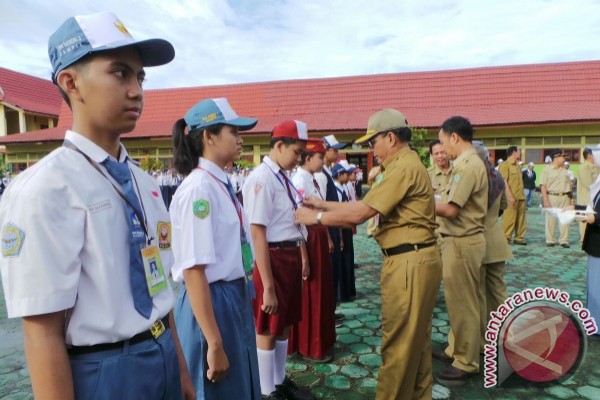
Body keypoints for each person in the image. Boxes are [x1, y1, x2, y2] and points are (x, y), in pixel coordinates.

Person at [0, 11, 193, 399]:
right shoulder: (44, 189)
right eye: (120, 73)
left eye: (141, 77)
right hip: (103, 372)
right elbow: (42, 332)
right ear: (72, 83)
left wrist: (182, 373)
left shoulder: (145, 183)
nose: (137, 90)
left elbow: (160, 292)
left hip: (163, 354)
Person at [295, 108, 442, 400]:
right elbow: (365, 204)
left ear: (390, 138)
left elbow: (361, 212)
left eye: (373, 142)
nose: (372, 149)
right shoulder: (407, 164)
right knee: (417, 344)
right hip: (416, 258)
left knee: (399, 346)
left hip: (409, 262)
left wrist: (316, 219)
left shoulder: (401, 168)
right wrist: (322, 205)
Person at [169, 98, 261, 399]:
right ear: (208, 137)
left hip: (230, 296)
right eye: (233, 131)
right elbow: (194, 269)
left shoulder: (218, 183)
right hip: (210, 302)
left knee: (237, 385)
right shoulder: (199, 189)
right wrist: (214, 341)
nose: (241, 138)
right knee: (216, 388)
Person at [242, 120, 315, 400]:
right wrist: (268, 286)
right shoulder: (261, 178)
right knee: (267, 325)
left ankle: (279, 380)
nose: (299, 159)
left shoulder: (281, 176)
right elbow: (258, 232)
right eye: (296, 152)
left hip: (288, 254)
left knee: (284, 323)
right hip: (271, 258)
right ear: (280, 145)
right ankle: (266, 391)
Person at [434, 116, 487, 382]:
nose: (444, 149)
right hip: (465, 240)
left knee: (462, 304)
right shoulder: (469, 163)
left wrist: (417, 202)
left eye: (444, 142)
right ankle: (463, 348)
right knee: (469, 301)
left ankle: (466, 361)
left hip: (461, 240)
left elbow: (452, 209)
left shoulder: (467, 166)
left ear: (455, 137)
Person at [288, 138, 336, 362]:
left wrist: (326, 236)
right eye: (320, 156)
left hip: (317, 235)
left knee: (321, 292)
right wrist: (303, 255)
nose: (323, 160)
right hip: (308, 240)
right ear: (308, 159)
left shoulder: (313, 179)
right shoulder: (300, 179)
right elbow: (298, 219)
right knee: (311, 294)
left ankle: (319, 341)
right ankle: (309, 346)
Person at [472, 142, 511, 347]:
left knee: (476, 294)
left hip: (474, 240)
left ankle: (480, 342)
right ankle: (506, 337)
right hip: (496, 240)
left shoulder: (472, 176)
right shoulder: (498, 177)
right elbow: (504, 205)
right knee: (498, 292)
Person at [575, 145, 600, 341]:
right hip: (595, 243)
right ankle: (594, 322)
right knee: (593, 285)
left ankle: (597, 326)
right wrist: (579, 211)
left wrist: (595, 219)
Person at [331, 162, 357, 301]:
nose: (349, 176)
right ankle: (344, 293)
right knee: (345, 261)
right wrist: (340, 236)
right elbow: (338, 214)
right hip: (342, 228)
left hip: (346, 227)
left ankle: (349, 291)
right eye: (346, 174)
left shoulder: (342, 187)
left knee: (349, 260)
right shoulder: (337, 189)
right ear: (340, 175)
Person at [540, 150, 573, 247]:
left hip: (565, 196)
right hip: (552, 196)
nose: (564, 158)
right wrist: (545, 200)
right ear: (556, 157)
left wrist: (571, 199)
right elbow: (543, 186)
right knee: (551, 219)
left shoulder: (564, 170)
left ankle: (564, 240)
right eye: (562, 156)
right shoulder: (546, 170)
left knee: (565, 219)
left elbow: (569, 186)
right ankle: (550, 240)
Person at [498, 146, 527, 245]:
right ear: (514, 152)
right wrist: (510, 196)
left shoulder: (518, 166)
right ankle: (506, 237)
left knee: (521, 219)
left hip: (520, 196)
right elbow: (504, 181)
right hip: (511, 197)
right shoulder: (505, 165)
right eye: (519, 151)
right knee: (509, 218)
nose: (520, 153)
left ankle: (519, 237)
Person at [577, 148, 600, 244]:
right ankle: (584, 240)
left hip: (595, 199)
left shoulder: (595, 166)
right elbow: (589, 184)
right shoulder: (584, 167)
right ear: (590, 155)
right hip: (586, 199)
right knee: (586, 220)